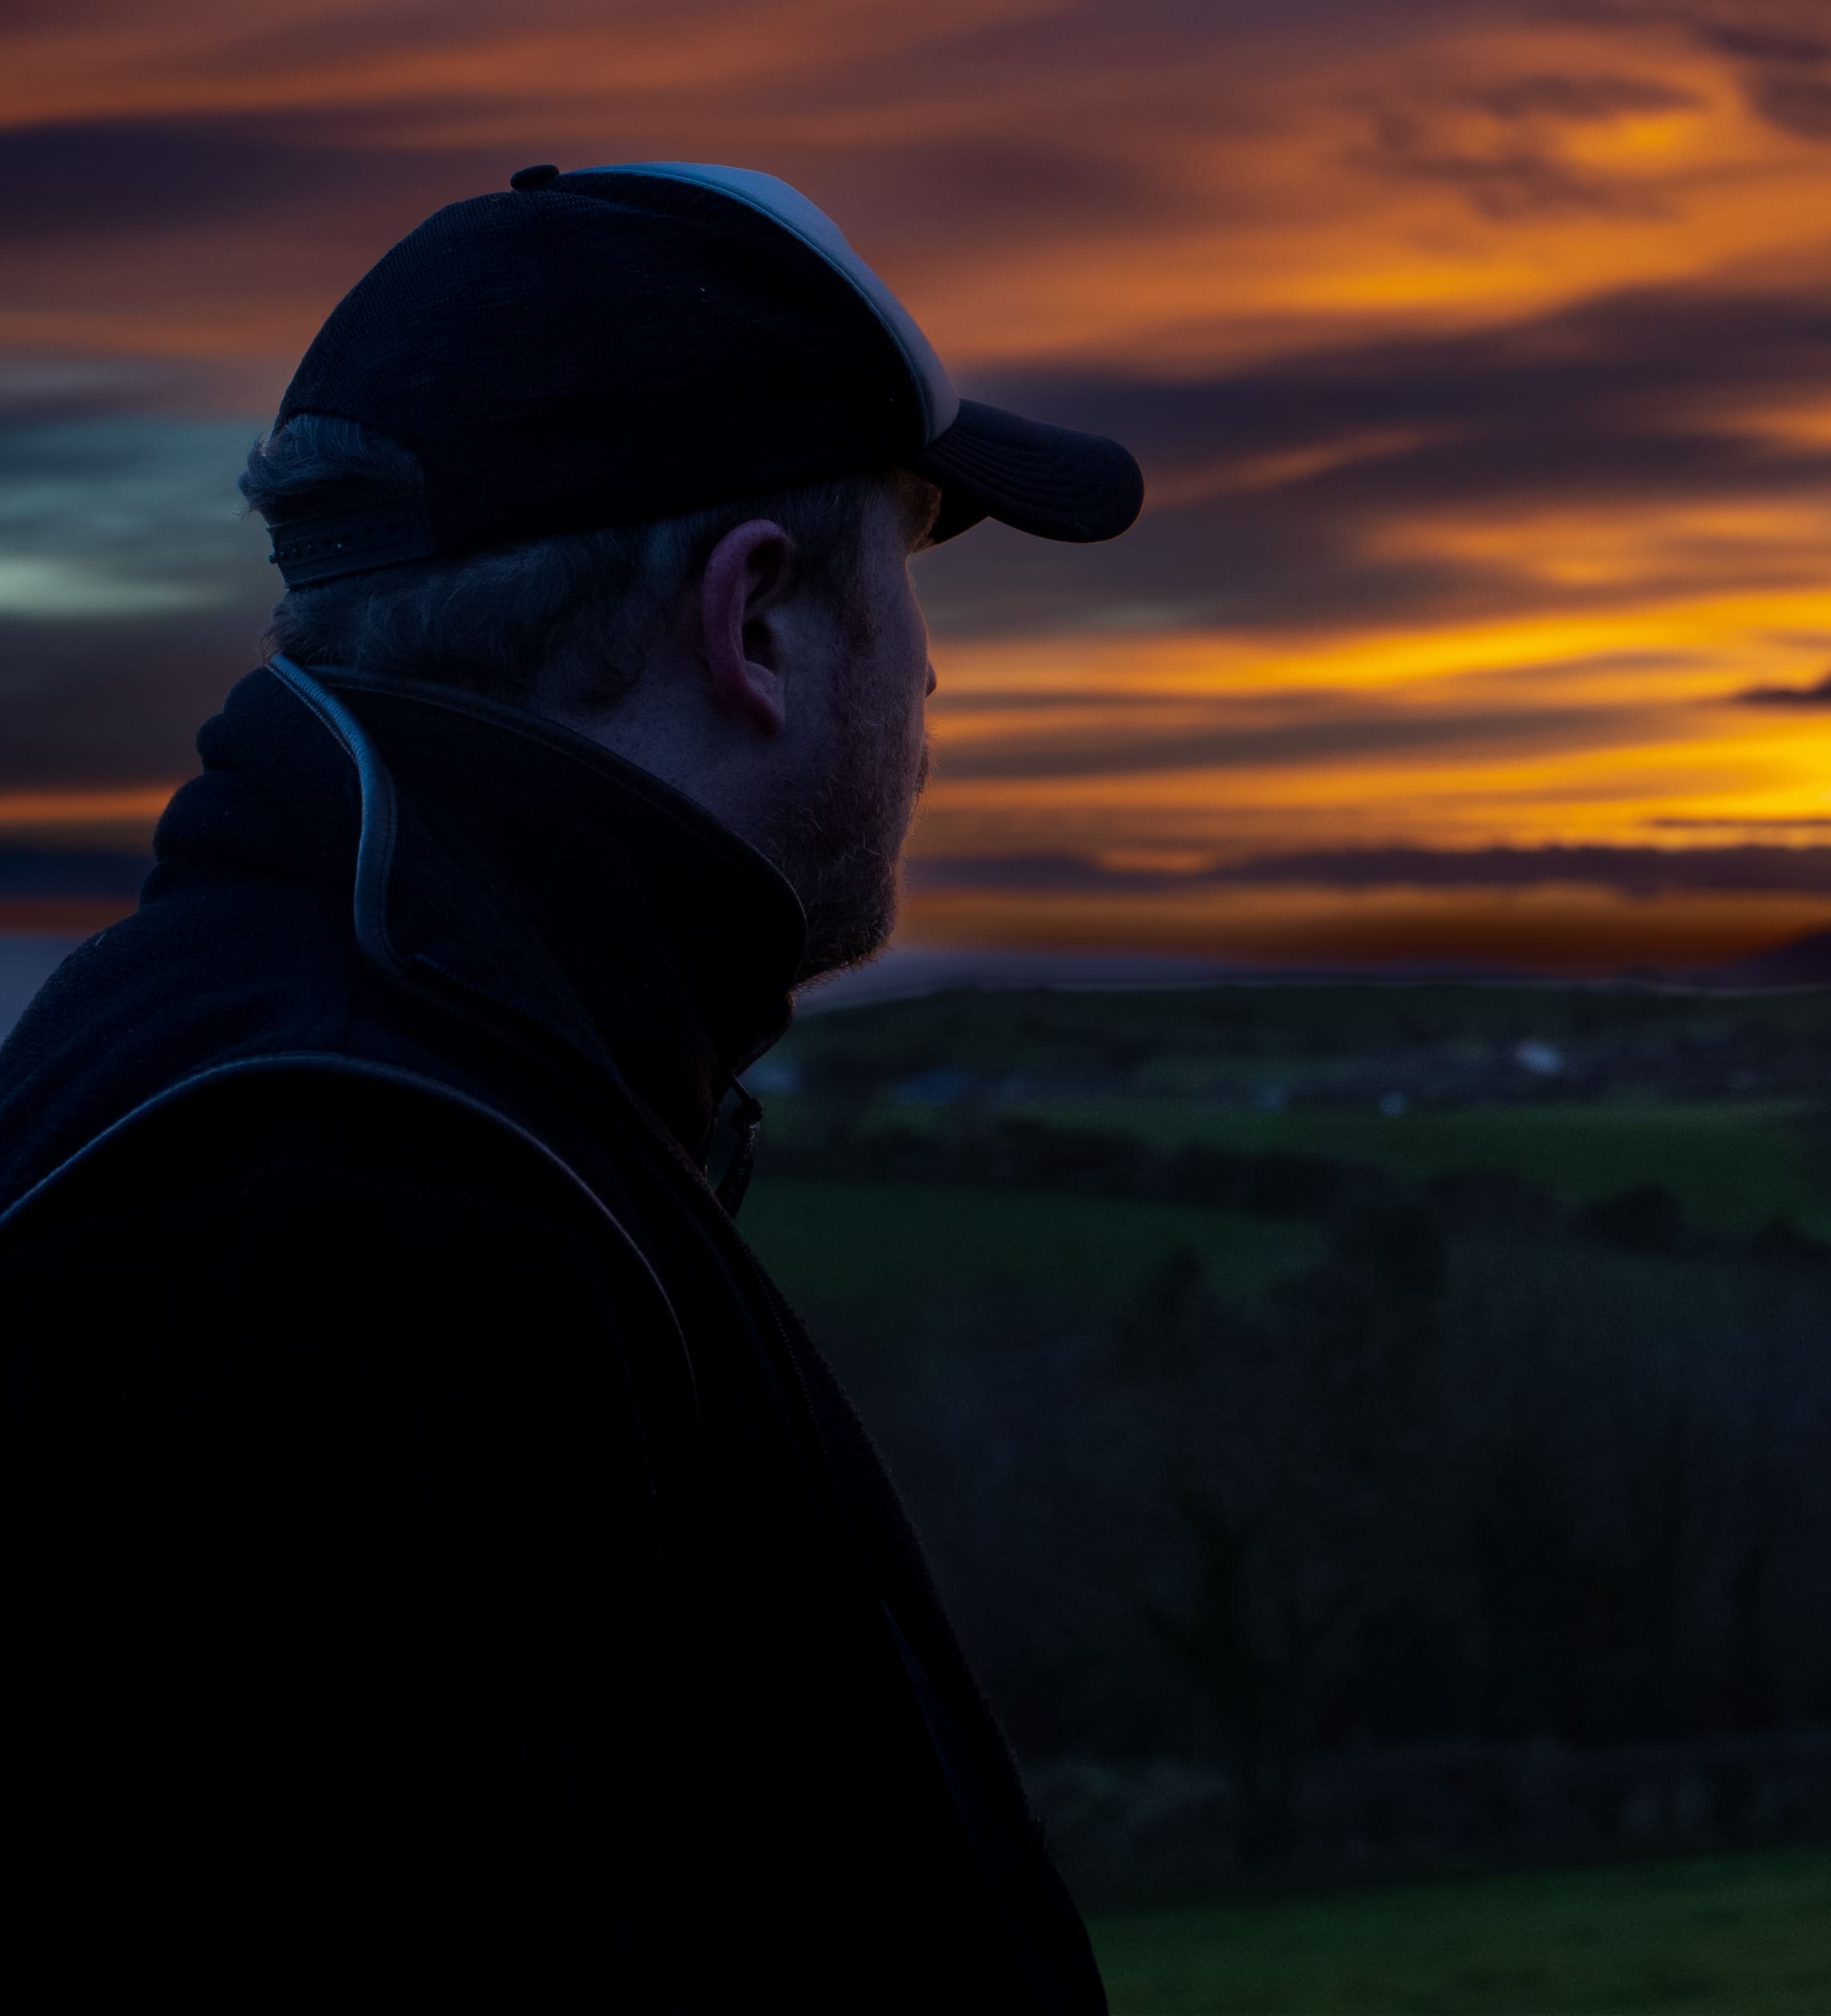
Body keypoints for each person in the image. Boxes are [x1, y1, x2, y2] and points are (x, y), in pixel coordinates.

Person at [0, 164, 1139, 2009]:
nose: (937, 688)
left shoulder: (443, 1090)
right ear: (752, 620)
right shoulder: (348, 1203)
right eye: (907, 578)